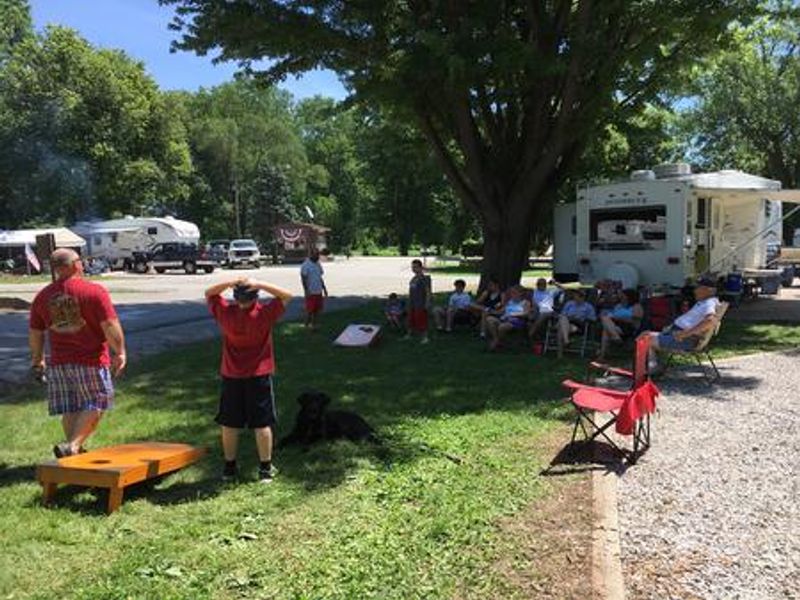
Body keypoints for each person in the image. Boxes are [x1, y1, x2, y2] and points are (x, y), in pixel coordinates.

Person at [29, 248, 126, 458]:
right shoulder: (94, 292)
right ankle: (72, 447)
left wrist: (38, 361)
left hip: (59, 363)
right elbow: (110, 324)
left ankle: (72, 454)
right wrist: (120, 352)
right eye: (80, 261)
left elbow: (36, 334)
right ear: (75, 265)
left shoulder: (42, 296)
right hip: (91, 360)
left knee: (70, 407)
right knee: (98, 401)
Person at [205, 277, 293, 483]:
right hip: (258, 374)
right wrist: (261, 283)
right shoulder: (263, 314)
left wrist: (231, 281)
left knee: (229, 422)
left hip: (231, 374)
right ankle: (265, 469)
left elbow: (209, 293)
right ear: (255, 297)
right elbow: (287, 296)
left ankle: (229, 468)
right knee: (261, 423)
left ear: (235, 297)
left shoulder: (226, 314)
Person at [646, 276, 720, 372]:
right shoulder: (704, 302)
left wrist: (686, 333)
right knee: (645, 335)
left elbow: (710, 320)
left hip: (684, 339)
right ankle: (654, 367)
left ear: (708, 290)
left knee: (646, 341)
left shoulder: (709, 303)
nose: (694, 290)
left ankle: (652, 370)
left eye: (697, 288)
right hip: (678, 334)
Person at [597, 289, 644, 359]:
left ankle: (602, 355)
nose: (621, 297)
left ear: (629, 296)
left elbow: (635, 321)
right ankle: (615, 337)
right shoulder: (619, 306)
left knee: (606, 328)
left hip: (628, 327)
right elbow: (613, 314)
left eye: (623, 295)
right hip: (615, 325)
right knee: (605, 320)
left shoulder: (636, 306)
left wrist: (617, 318)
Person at [485, 285, 532, 351]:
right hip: (504, 319)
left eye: (514, 293)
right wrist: (491, 311)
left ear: (520, 293)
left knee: (502, 326)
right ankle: (496, 339)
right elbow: (501, 312)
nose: (512, 294)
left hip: (517, 321)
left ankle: (496, 342)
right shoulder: (509, 302)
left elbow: (526, 314)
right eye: (511, 293)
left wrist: (513, 315)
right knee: (489, 319)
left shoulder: (525, 302)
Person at [556, 289, 597, 358]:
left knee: (561, 329)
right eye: (575, 296)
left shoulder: (588, 307)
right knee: (563, 319)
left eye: (577, 296)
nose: (575, 298)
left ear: (583, 297)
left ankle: (560, 354)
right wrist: (569, 317)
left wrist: (580, 318)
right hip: (567, 322)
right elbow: (563, 314)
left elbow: (593, 319)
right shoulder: (569, 303)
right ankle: (566, 340)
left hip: (578, 325)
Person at [405, 259, 432, 344]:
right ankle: (409, 334)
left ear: (421, 268)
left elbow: (428, 291)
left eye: (416, 267)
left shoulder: (424, 278)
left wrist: (427, 302)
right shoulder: (413, 278)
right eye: (412, 267)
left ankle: (425, 337)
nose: (414, 269)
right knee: (411, 319)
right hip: (412, 302)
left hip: (421, 303)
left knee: (421, 320)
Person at [300, 248, 327, 330]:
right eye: (316, 255)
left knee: (317, 310)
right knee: (310, 311)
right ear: (311, 255)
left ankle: (314, 325)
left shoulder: (318, 264)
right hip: (311, 292)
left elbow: (320, 277)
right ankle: (307, 325)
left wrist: (324, 288)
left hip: (318, 291)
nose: (318, 256)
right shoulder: (305, 265)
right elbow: (303, 279)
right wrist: (306, 290)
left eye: (318, 254)